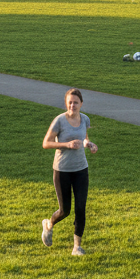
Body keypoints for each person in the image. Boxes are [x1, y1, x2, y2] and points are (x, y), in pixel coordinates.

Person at [41, 88, 98, 256]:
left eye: (76, 102)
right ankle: (49, 224)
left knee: (81, 208)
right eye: (70, 102)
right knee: (65, 210)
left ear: (81, 104)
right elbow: (46, 143)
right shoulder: (59, 121)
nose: (73, 105)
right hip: (62, 170)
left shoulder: (85, 119)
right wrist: (67, 145)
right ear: (66, 103)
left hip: (81, 169)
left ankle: (77, 247)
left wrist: (89, 144)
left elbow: (84, 137)